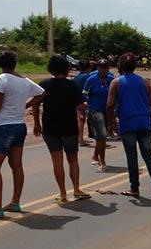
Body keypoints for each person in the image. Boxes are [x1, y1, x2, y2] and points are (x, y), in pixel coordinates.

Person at [0, 51, 45, 220]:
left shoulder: (2, 79)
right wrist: (26, 106)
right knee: (16, 165)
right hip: (20, 126)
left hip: (4, 126)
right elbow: (42, 93)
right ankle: (15, 202)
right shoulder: (24, 80)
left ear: (0, 64)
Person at [32, 55, 91, 203]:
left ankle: (63, 193)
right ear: (66, 68)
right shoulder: (71, 85)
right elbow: (81, 106)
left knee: (57, 162)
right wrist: (85, 108)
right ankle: (76, 189)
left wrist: (36, 123)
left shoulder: (44, 84)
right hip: (69, 128)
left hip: (50, 128)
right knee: (73, 160)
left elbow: (35, 103)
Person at [107, 52, 151, 199]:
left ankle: (134, 188)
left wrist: (112, 123)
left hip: (128, 124)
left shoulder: (116, 83)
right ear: (135, 66)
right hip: (145, 122)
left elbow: (109, 105)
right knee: (147, 154)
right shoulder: (145, 82)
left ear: (120, 65)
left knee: (132, 156)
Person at [83, 59, 114, 171]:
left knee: (102, 137)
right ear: (98, 68)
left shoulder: (111, 79)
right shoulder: (91, 79)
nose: (103, 69)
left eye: (105, 67)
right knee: (101, 135)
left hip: (107, 110)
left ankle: (95, 155)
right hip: (95, 110)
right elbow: (84, 94)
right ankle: (102, 161)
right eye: (101, 67)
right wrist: (85, 105)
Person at [73, 61, 91, 147]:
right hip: (83, 100)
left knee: (79, 119)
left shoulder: (76, 77)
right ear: (88, 68)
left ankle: (78, 138)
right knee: (82, 119)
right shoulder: (87, 77)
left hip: (75, 100)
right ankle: (80, 139)